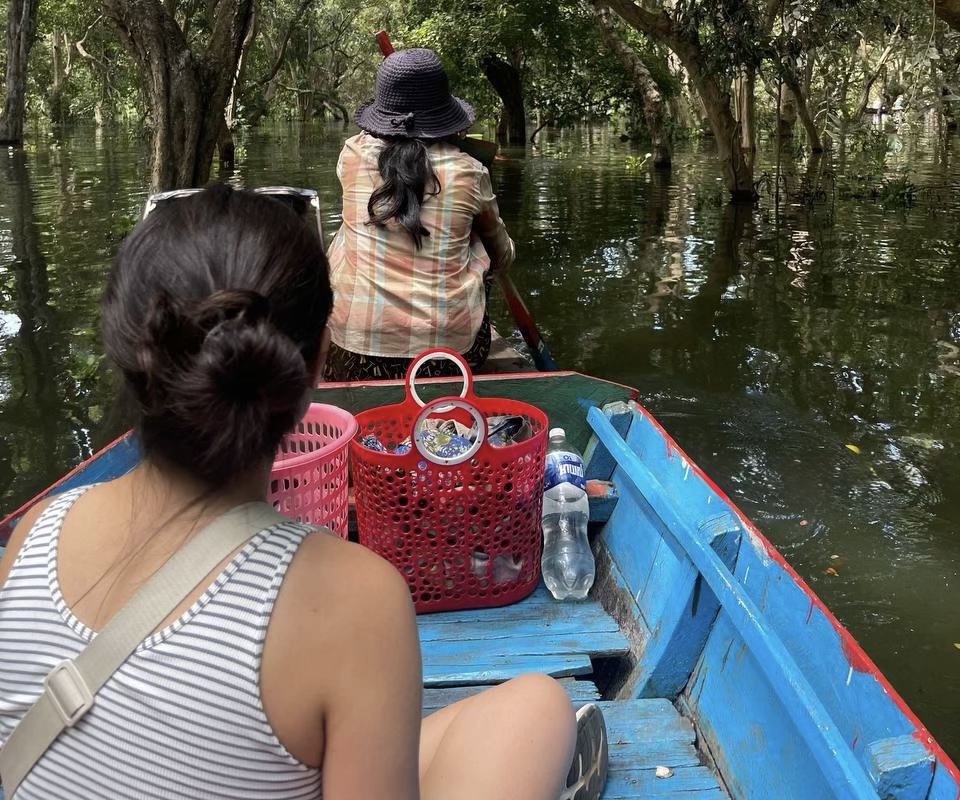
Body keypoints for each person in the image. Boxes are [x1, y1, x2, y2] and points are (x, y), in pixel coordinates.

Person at [0, 185, 607, 800]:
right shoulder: (355, 599)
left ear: (126, 348)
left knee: (529, 710)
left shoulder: (32, 535)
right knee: (540, 708)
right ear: (319, 359)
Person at [326, 47, 514, 380]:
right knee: (480, 244)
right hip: (448, 359)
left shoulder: (351, 156)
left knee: (344, 235)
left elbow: (390, 150)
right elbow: (503, 257)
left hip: (353, 355)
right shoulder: (469, 171)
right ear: (446, 117)